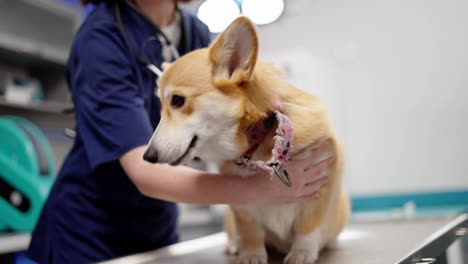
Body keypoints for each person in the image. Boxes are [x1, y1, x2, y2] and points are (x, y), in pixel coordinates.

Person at [27, 0, 333, 263]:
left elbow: (222, 114)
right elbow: (146, 170)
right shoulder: (100, 40)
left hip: (158, 222)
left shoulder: (193, 29)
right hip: (91, 230)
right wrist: (259, 190)